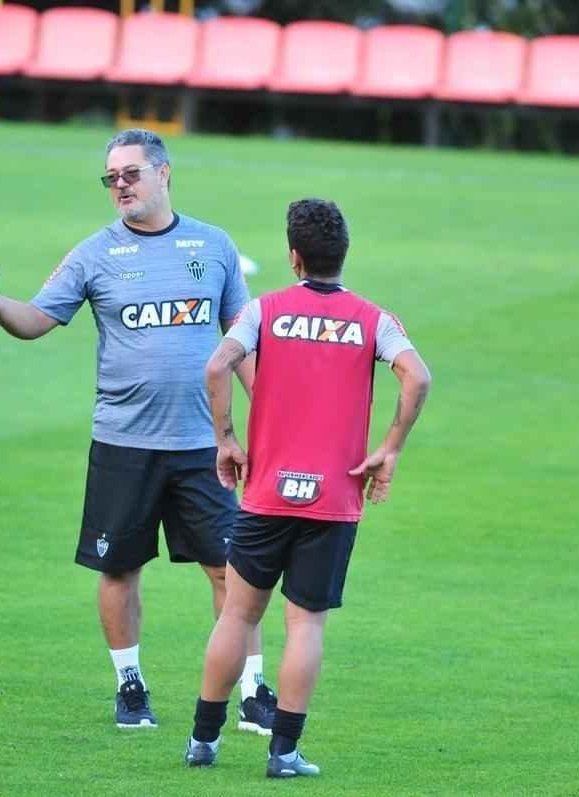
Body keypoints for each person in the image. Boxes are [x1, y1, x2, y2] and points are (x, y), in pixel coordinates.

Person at [0, 129, 276, 732]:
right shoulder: (94, 254)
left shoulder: (213, 246)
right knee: (119, 569)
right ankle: (131, 685)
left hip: (202, 445)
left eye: (131, 174)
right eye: (111, 178)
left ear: (164, 174)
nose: (120, 186)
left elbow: (241, 344)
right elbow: (34, 321)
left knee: (231, 570)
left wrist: (269, 423)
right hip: (124, 442)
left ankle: (252, 690)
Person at [184, 199, 431, 777]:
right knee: (305, 625)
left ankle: (202, 741)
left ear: (294, 256)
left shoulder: (264, 311)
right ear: (343, 254)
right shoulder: (373, 319)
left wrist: (226, 440)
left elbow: (217, 366)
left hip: (267, 493)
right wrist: (390, 447)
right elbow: (417, 376)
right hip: (333, 499)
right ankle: (284, 753)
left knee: (237, 616)